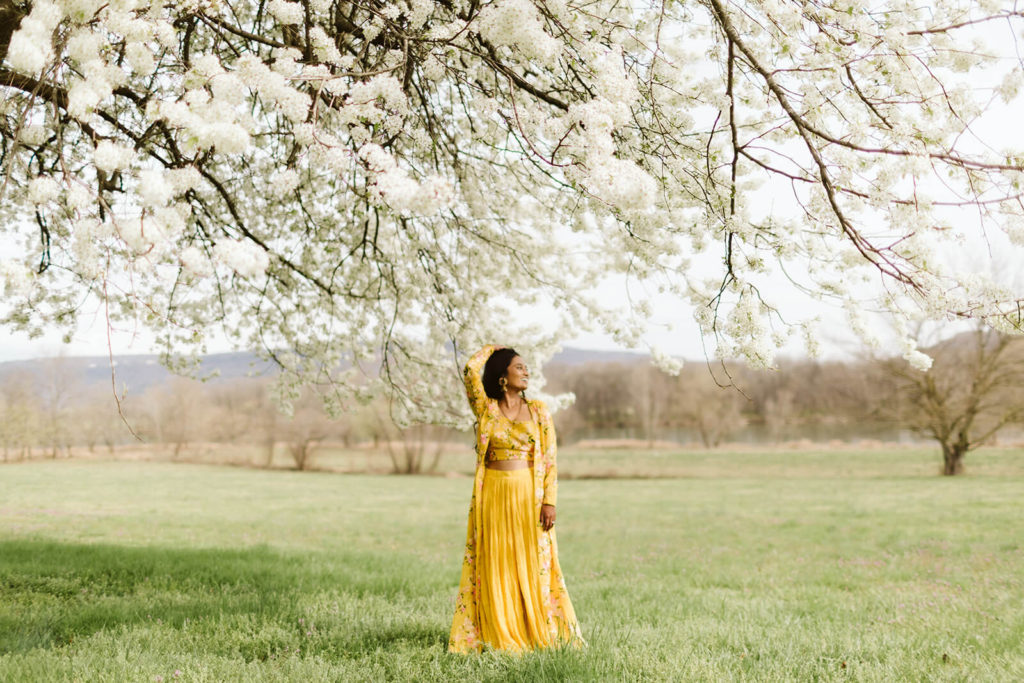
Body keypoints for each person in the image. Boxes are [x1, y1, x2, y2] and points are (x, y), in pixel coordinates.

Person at [448, 344, 584, 653]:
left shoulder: (538, 410)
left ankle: (534, 630)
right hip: (493, 494)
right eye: (519, 366)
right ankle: (501, 634)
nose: (526, 372)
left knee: (532, 562)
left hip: (528, 496)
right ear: (502, 375)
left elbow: (550, 459)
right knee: (496, 564)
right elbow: (470, 370)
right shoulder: (486, 408)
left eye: (526, 367)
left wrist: (550, 501)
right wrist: (496, 349)